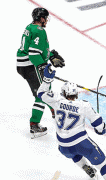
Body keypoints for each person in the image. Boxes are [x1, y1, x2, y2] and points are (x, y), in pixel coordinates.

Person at [37, 64, 106, 180]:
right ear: (76, 94)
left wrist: (47, 80)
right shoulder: (83, 105)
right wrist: (101, 129)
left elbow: (40, 93)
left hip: (63, 146)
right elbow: (100, 127)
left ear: (63, 93)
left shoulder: (56, 100)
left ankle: (86, 168)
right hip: (81, 143)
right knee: (102, 164)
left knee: (74, 153)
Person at [17, 7, 65, 138]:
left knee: (46, 86)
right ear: (41, 18)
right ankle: (34, 125)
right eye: (46, 18)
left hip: (26, 63)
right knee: (41, 93)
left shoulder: (32, 27)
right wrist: (42, 66)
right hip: (30, 65)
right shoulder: (40, 31)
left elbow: (37, 49)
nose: (47, 21)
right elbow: (33, 54)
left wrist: (50, 55)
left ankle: (54, 110)